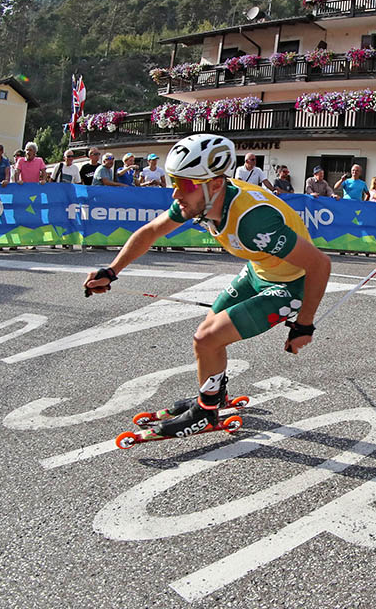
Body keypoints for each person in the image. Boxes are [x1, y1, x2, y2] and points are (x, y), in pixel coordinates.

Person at [83, 133, 331, 439]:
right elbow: (150, 232)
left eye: (184, 184)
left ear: (215, 184)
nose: (176, 194)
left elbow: (320, 265)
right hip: (259, 271)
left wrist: (304, 325)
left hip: (290, 285)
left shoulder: (253, 221)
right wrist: (111, 270)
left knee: (206, 338)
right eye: (174, 182)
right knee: (211, 324)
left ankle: (206, 413)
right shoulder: (202, 200)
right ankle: (215, 395)